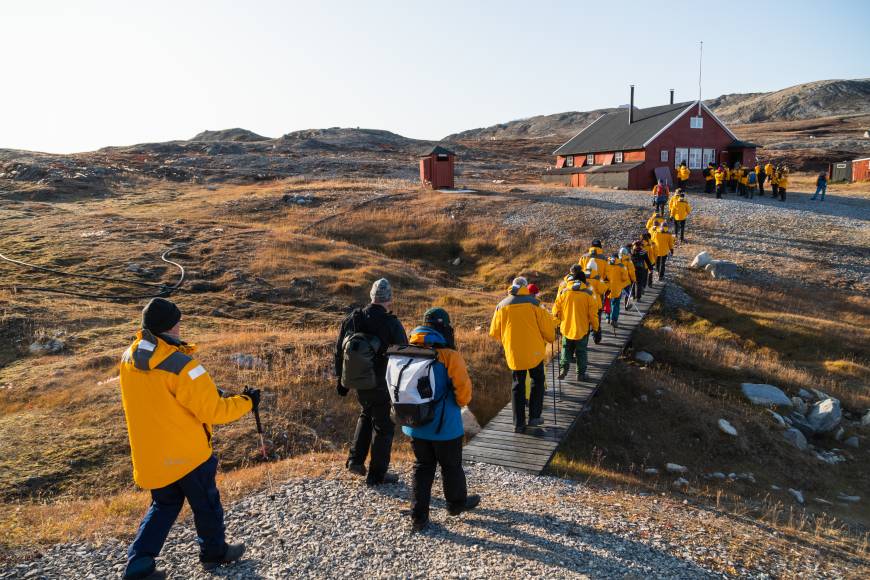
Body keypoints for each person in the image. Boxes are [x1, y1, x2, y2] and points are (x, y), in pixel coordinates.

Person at [120, 298, 256, 580]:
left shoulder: (130, 357)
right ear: (171, 326)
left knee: (164, 506)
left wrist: (207, 390)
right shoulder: (183, 366)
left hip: (152, 455)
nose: (181, 326)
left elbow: (161, 395)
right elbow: (214, 411)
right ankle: (214, 552)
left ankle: (139, 564)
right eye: (178, 321)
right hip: (188, 454)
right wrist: (247, 402)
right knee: (206, 503)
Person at [402, 308, 480, 532]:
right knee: (451, 465)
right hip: (444, 426)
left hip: (415, 424)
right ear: (445, 328)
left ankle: (419, 517)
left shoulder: (407, 351)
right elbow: (463, 394)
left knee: (422, 467)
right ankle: (456, 505)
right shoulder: (449, 356)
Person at [335, 278, 407, 485]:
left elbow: (339, 351)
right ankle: (377, 475)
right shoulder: (391, 323)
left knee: (366, 414)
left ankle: (355, 461)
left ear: (372, 296)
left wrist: (341, 381)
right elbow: (404, 355)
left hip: (358, 381)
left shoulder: (353, 318)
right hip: (383, 383)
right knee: (384, 426)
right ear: (389, 299)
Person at [489, 277, 557, 433]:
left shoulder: (501, 305)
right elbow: (547, 329)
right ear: (525, 287)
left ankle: (518, 424)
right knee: (537, 380)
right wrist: (551, 338)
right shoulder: (535, 304)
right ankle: (534, 417)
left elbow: (494, 332)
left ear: (512, 287)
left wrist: (507, 339)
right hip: (534, 351)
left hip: (514, 352)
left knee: (517, 385)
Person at [552, 271, 600, 381]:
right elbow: (593, 315)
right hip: (582, 329)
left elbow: (555, 310)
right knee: (581, 352)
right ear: (584, 281)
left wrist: (556, 323)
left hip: (566, 328)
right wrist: (596, 328)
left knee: (566, 349)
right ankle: (580, 374)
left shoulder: (564, 293)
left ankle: (563, 369)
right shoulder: (588, 294)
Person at [603, 254, 631, 328]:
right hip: (617, 288)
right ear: (618, 258)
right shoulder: (621, 266)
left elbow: (603, 275)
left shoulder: (606, 263)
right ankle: (614, 320)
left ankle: (607, 317)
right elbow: (625, 278)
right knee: (615, 304)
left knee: (607, 302)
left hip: (607, 287)